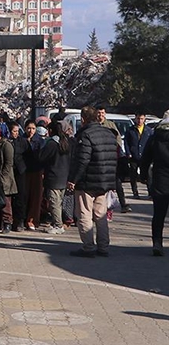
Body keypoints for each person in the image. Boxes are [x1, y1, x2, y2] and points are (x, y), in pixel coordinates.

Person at [67, 106, 117, 257]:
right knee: (101, 215)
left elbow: (82, 160)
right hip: (104, 180)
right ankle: (103, 247)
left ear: (83, 119)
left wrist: (73, 180)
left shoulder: (86, 135)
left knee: (84, 214)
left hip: (87, 181)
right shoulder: (109, 133)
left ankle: (88, 247)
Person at [140, 111, 168, 256]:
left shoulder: (155, 137)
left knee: (159, 214)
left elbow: (145, 159)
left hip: (160, 179)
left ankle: (157, 242)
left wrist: (144, 176)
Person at [97, 105, 130, 212]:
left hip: (112, 160)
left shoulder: (110, 125)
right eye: (99, 113)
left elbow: (118, 139)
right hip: (99, 160)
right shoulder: (94, 125)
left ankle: (123, 204)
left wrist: (116, 150)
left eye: (102, 113)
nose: (100, 115)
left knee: (117, 184)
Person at [40, 121, 71, 234]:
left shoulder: (52, 143)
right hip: (63, 176)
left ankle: (58, 225)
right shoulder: (65, 142)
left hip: (53, 176)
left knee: (54, 202)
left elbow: (42, 157)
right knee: (59, 202)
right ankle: (57, 223)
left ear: (51, 131)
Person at [125, 112, 153, 199]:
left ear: (144, 119)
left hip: (145, 157)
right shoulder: (130, 130)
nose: (139, 121)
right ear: (135, 119)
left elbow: (152, 143)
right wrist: (128, 153)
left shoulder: (149, 131)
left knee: (148, 175)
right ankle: (135, 192)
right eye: (138, 119)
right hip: (134, 156)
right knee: (133, 175)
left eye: (141, 119)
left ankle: (150, 193)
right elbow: (126, 143)